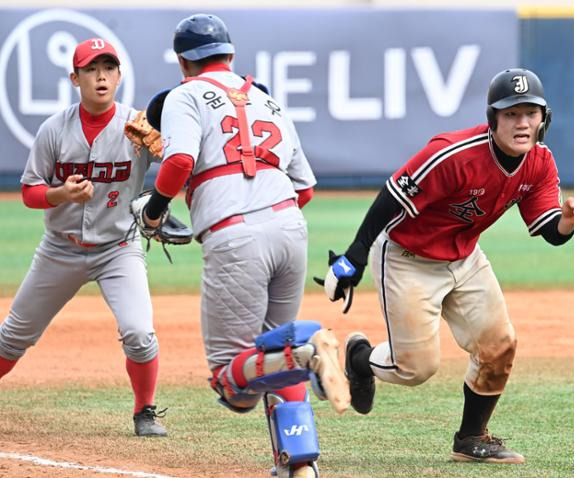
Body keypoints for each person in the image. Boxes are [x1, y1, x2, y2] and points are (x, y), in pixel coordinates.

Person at [320, 68, 574, 464]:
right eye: (511, 113)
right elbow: (393, 195)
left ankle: (470, 439)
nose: (522, 123)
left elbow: (548, 229)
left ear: (543, 119)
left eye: (530, 113)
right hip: (406, 256)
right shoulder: (452, 154)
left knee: (500, 345)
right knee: (416, 369)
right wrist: (355, 256)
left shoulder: (539, 162)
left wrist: (566, 221)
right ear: (493, 119)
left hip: (464, 256)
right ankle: (359, 359)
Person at [132, 14, 349, 478]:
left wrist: (155, 209)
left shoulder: (182, 95)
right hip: (290, 227)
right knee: (272, 350)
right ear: (230, 53)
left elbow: (181, 160)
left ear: (181, 61)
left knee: (231, 380)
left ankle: (310, 352)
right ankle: (300, 467)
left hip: (235, 235)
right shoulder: (265, 98)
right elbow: (304, 187)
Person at [0, 38, 167, 437]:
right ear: (75, 78)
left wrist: (164, 187)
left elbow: (182, 162)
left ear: (119, 75)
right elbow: (28, 191)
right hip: (60, 249)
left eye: (108, 68)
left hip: (118, 249)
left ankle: (145, 411)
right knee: (13, 337)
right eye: (91, 69)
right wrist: (60, 194)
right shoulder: (54, 129)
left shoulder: (139, 128)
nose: (101, 76)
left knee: (140, 333)